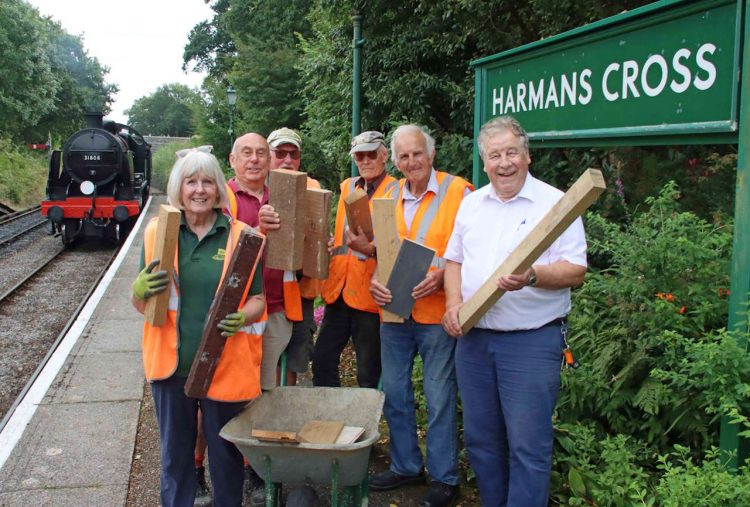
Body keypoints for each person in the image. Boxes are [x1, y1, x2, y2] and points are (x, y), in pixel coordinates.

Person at [442, 116, 587, 506]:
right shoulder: (471, 204)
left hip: (531, 342)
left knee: (528, 444)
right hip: (474, 340)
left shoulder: (556, 203)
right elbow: (453, 261)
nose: (504, 163)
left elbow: (576, 270)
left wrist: (533, 275)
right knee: (482, 440)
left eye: (511, 153)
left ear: (527, 155)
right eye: (495, 155)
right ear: (484, 162)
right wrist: (454, 304)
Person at [131, 149, 266, 507]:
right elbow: (144, 304)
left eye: (207, 181)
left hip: (223, 366)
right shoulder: (159, 233)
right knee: (175, 459)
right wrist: (137, 291)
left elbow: (258, 299)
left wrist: (245, 316)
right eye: (191, 181)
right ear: (179, 187)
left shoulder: (243, 236)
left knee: (226, 460)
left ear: (219, 188)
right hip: (171, 368)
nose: (200, 189)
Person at [369, 125, 472, 507]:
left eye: (417, 154)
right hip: (394, 314)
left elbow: (473, 249)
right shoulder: (389, 192)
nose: (411, 162)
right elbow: (384, 251)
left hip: (436, 314)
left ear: (431, 155)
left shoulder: (459, 191)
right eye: (403, 156)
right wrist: (377, 282)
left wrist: (443, 276)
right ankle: (406, 465)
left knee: (439, 395)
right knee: (395, 393)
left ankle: (444, 478)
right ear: (394, 161)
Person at [312, 130, 398, 388]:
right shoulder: (348, 186)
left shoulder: (397, 190)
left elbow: (398, 247)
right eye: (359, 155)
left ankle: (364, 424)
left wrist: (371, 249)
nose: (365, 160)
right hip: (339, 290)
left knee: (368, 372)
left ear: (385, 156)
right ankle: (329, 418)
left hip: (370, 296)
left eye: (371, 154)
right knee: (321, 360)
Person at [265, 127, 322, 387]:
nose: (287, 160)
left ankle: (284, 411)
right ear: (268, 155)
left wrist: (323, 245)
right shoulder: (257, 186)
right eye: (280, 153)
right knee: (265, 358)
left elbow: (317, 240)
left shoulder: (313, 188)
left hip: (300, 290)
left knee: (295, 356)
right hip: (263, 293)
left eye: (293, 154)